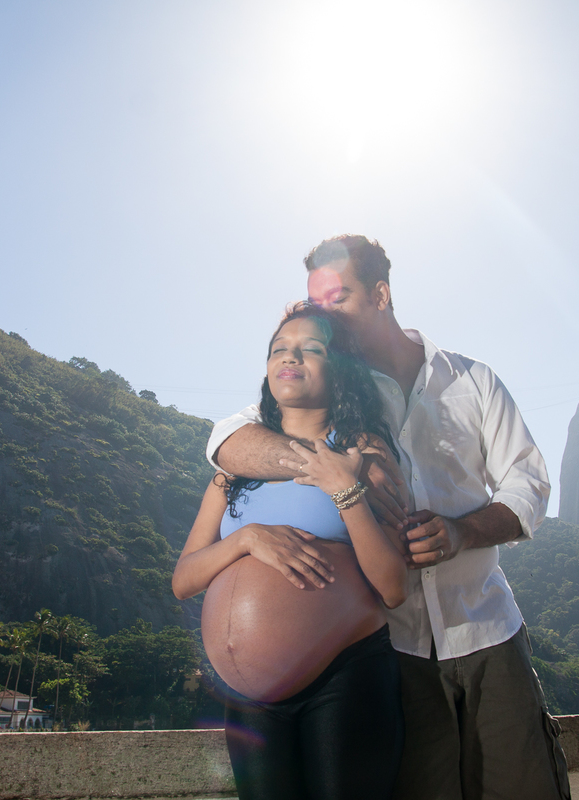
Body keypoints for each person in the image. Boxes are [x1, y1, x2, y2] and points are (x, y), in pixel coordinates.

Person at [207, 235, 570, 800]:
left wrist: (460, 532)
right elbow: (228, 440)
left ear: (381, 294)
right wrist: (339, 469)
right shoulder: (329, 385)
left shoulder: (472, 380)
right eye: (314, 300)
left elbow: (529, 483)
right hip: (390, 651)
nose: (325, 313)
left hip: (485, 627)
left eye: (338, 297)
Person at [172, 302, 409, 800]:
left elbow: (392, 588)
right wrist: (246, 539)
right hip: (249, 698)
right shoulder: (234, 466)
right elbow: (184, 579)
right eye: (280, 348)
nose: (291, 357)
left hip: (344, 677)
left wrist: (346, 491)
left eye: (311, 349)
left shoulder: (364, 458)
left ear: (339, 368)